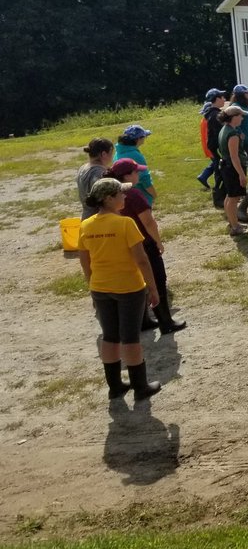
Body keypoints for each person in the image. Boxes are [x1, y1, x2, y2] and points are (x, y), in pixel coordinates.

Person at [78, 178, 161, 401]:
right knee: (131, 338)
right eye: (121, 194)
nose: (125, 197)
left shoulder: (86, 225)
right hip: (129, 288)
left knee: (110, 336)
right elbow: (142, 260)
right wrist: (153, 288)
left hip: (100, 287)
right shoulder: (125, 224)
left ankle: (115, 387)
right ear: (109, 199)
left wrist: (92, 286)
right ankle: (140, 388)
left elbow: (84, 261)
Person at [108, 158, 186, 334]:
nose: (139, 174)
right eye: (136, 172)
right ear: (127, 176)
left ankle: (143, 320)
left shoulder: (111, 195)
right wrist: (158, 241)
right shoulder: (134, 195)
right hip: (144, 245)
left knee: (137, 282)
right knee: (157, 281)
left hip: (125, 246)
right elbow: (148, 222)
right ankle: (166, 321)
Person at [218, 104, 248, 235]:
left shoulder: (225, 129)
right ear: (234, 117)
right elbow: (234, 156)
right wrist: (242, 175)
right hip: (232, 169)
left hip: (226, 166)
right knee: (233, 198)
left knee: (229, 196)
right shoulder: (232, 134)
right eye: (240, 116)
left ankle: (232, 222)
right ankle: (235, 227)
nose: (242, 118)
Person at [114, 125, 155, 205]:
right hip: (140, 197)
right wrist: (154, 195)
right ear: (138, 139)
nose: (145, 139)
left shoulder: (118, 152)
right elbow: (144, 178)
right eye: (144, 137)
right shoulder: (136, 155)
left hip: (125, 195)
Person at [77, 138, 114, 220]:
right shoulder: (99, 173)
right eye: (111, 153)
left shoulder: (83, 168)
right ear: (104, 154)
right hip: (99, 219)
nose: (112, 156)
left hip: (86, 217)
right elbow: (104, 200)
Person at [196, 88, 225, 189]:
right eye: (222, 97)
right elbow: (215, 135)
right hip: (214, 148)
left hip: (211, 148)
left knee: (216, 165)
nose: (224, 99)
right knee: (219, 168)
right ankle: (218, 192)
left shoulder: (209, 117)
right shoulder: (213, 116)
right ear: (216, 99)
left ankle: (204, 177)